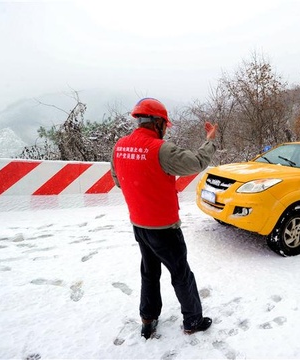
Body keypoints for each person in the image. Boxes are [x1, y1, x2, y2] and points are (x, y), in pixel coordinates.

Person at [111, 97, 218, 339]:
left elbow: (118, 180)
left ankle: (148, 319)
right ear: (158, 123)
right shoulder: (161, 149)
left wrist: (144, 188)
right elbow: (197, 162)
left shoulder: (119, 146)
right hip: (164, 227)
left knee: (149, 272)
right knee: (181, 274)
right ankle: (193, 320)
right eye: (164, 126)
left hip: (139, 225)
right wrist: (210, 142)